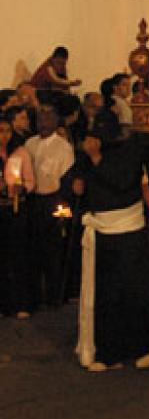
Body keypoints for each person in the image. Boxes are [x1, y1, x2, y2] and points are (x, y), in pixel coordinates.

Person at [71, 109, 149, 371]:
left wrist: (98, 158)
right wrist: (75, 181)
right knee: (107, 295)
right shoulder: (85, 156)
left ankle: (143, 346)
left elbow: (122, 181)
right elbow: (74, 177)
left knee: (134, 292)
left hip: (129, 231)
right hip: (103, 231)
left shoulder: (129, 151)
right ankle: (110, 351)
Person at [25, 106, 74, 307]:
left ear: (55, 121)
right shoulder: (31, 143)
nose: (43, 123)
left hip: (54, 199)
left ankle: (56, 295)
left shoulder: (63, 147)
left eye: (47, 118)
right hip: (34, 200)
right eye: (39, 119)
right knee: (34, 248)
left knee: (54, 249)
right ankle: (36, 294)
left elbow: (66, 177)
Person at [0, 116, 35, 318]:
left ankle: (21, 302)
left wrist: (21, 188)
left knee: (18, 255)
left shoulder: (20, 153)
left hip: (15, 209)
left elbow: (30, 181)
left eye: (7, 131)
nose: (4, 136)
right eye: (0, 131)